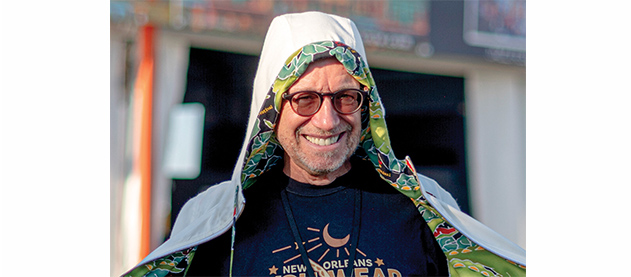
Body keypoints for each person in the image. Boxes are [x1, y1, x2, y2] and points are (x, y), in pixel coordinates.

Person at [123, 11, 526, 277]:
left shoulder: (423, 210)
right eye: (305, 98)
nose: (328, 119)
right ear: (272, 108)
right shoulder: (217, 223)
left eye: (345, 97)